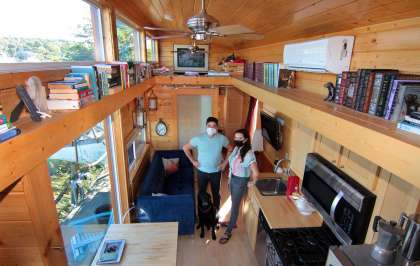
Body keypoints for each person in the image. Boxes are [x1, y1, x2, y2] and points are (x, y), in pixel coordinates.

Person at [183, 117, 232, 211]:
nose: (211, 128)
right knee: (201, 193)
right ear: (206, 127)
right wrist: (193, 161)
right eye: (209, 126)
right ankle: (202, 213)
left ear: (217, 128)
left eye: (214, 126)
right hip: (202, 172)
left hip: (216, 172)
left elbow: (231, 149)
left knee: (216, 194)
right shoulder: (198, 138)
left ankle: (216, 214)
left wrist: (225, 164)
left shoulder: (222, 139)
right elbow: (185, 148)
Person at [219, 128, 259, 244]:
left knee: (235, 205)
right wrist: (230, 179)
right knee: (233, 202)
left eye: (240, 138)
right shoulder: (237, 148)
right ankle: (233, 222)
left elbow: (256, 173)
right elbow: (232, 166)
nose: (236, 140)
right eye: (235, 137)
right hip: (233, 179)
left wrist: (252, 182)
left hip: (241, 181)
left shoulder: (249, 154)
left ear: (245, 140)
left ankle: (229, 231)